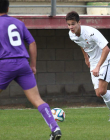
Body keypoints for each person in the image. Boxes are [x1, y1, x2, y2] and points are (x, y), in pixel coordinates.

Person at [0, 1, 61, 139]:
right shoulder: (18, 23)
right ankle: (55, 128)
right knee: (37, 99)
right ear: (8, 8)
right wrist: (33, 65)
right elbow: (32, 42)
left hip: (5, 64)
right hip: (23, 63)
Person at [66, 11, 110, 121]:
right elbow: (81, 44)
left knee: (103, 91)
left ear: (79, 22)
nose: (71, 27)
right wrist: (86, 58)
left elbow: (106, 49)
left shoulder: (91, 32)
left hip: (106, 60)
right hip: (93, 62)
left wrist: (98, 66)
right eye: (69, 24)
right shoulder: (71, 35)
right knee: (99, 93)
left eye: (73, 24)